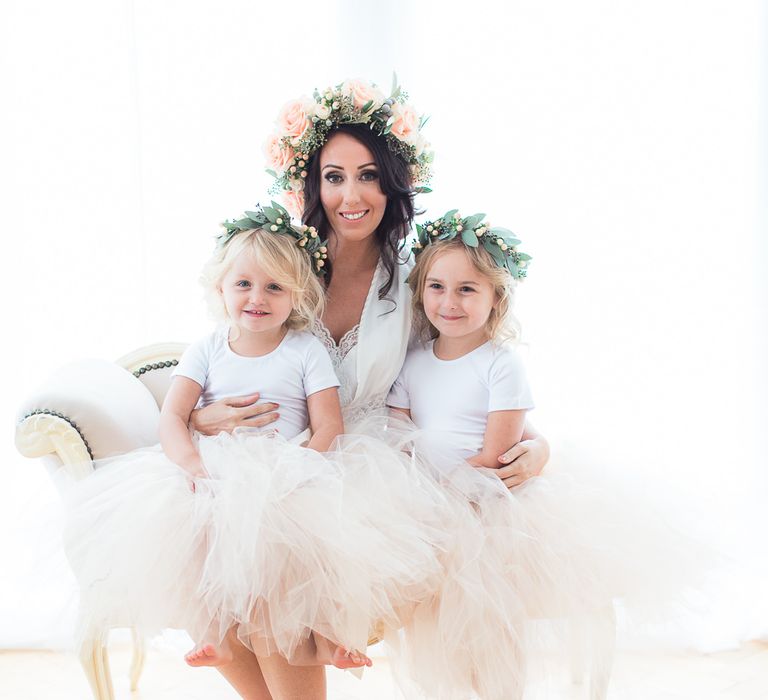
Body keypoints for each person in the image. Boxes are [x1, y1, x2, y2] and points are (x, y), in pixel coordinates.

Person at [190, 79, 552, 699]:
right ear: (312, 186)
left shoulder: (416, 279)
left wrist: (537, 441)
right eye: (334, 177)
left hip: (366, 456)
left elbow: (460, 365)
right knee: (208, 543)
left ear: (393, 184)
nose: (351, 196)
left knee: (287, 557)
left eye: (368, 176)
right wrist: (203, 419)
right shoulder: (282, 262)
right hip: (268, 445)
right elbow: (229, 356)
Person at [63, 207, 451, 700]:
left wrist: (301, 464)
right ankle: (218, 636)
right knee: (203, 543)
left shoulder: (304, 349)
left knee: (275, 561)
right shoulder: (207, 348)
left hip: (287, 468)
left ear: (298, 295)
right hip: (215, 470)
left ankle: (322, 643)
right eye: (243, 284)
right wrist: (191, 465)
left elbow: (327, 423)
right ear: (220, 289)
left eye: (274, 288)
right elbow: (173, 418)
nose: (256, 298)